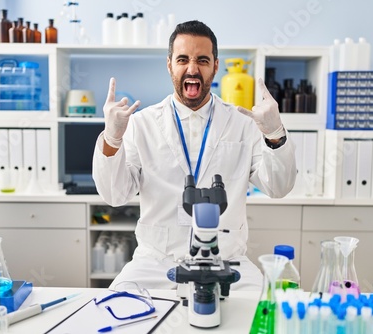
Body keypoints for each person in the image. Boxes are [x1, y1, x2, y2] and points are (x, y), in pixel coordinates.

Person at [93, 20, 296, 290]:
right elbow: (114, 195)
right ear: (169, 65)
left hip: (228, 262)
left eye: (202, 60)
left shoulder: (242, 123)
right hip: (156, 263)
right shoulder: (142, 124)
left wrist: (275, 133)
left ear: (215, 65)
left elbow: (279, 187)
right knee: (120, 311)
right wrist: (112, 138)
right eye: (182, 59)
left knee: (260, 316)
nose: (192, 68)